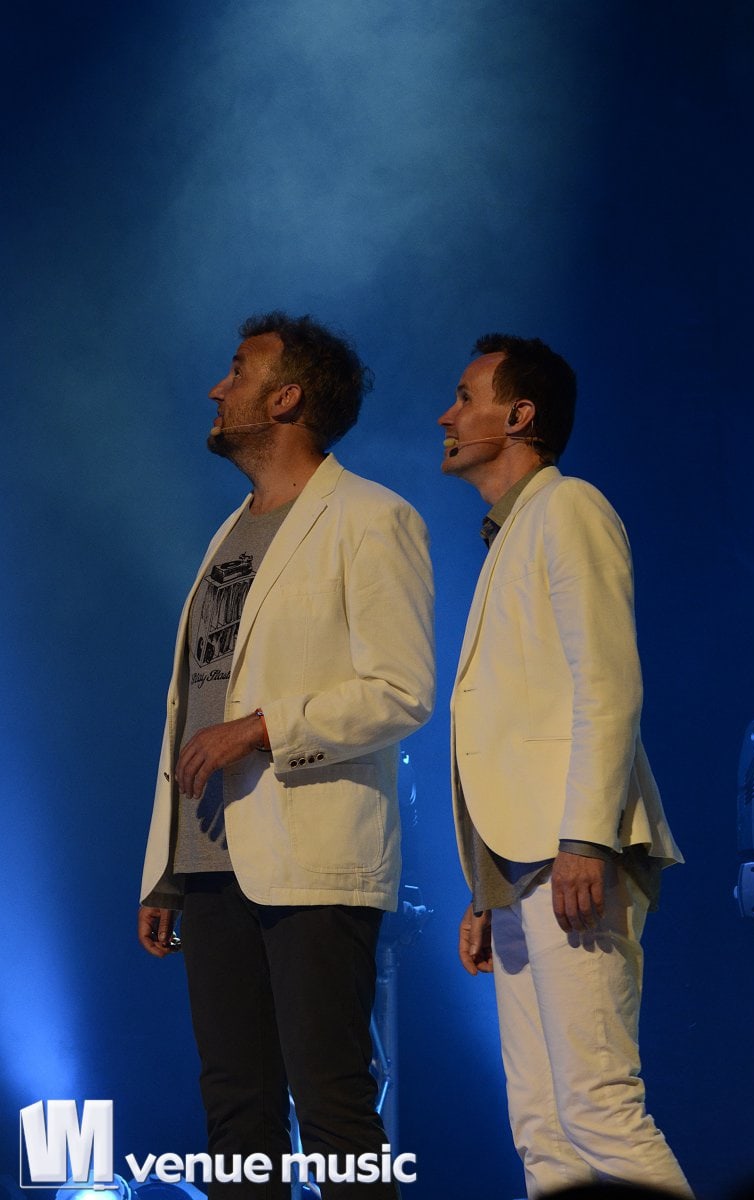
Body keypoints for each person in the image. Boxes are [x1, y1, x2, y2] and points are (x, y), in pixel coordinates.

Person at [137, 311, 435, 1200]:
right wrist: (164, 869)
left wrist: (262, 727)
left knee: (333, 1103)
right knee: (235, 1111)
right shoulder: (228, 533)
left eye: (237, 371)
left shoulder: (371, 517)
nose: (216, 388)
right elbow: (192, 705)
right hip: (209, 858)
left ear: (286, 398)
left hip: (310, 855)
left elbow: (401, 689)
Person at [438, 333, 692, 1198]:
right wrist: (486, 887)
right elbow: (520, 719)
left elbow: (606, 684)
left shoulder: (568, 506)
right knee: (542, 1128)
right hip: (522, 866)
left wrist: (585, 837)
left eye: (464, 396)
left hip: (570, 854)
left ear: (518, 416)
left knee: (597, 1109)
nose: (445, 415)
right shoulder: (511, 531)